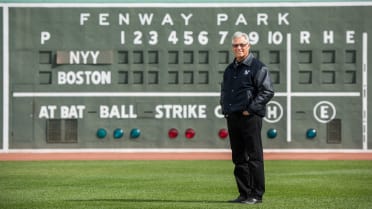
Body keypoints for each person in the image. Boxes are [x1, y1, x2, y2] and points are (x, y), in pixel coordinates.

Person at [220, 31, 274, 204]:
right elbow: (225, 91)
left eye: (242, 44)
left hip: (250, 117)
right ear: (232, 48)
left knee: (254, 156)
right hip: (233, 117)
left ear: (248, 46)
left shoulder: (258, 67)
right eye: (236, 45)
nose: (239, 48)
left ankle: (256, 195)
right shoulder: (230, 69)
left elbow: (267, 91)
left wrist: (250, 109)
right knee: (239, 158)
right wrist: (226, 109)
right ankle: (244, 193)